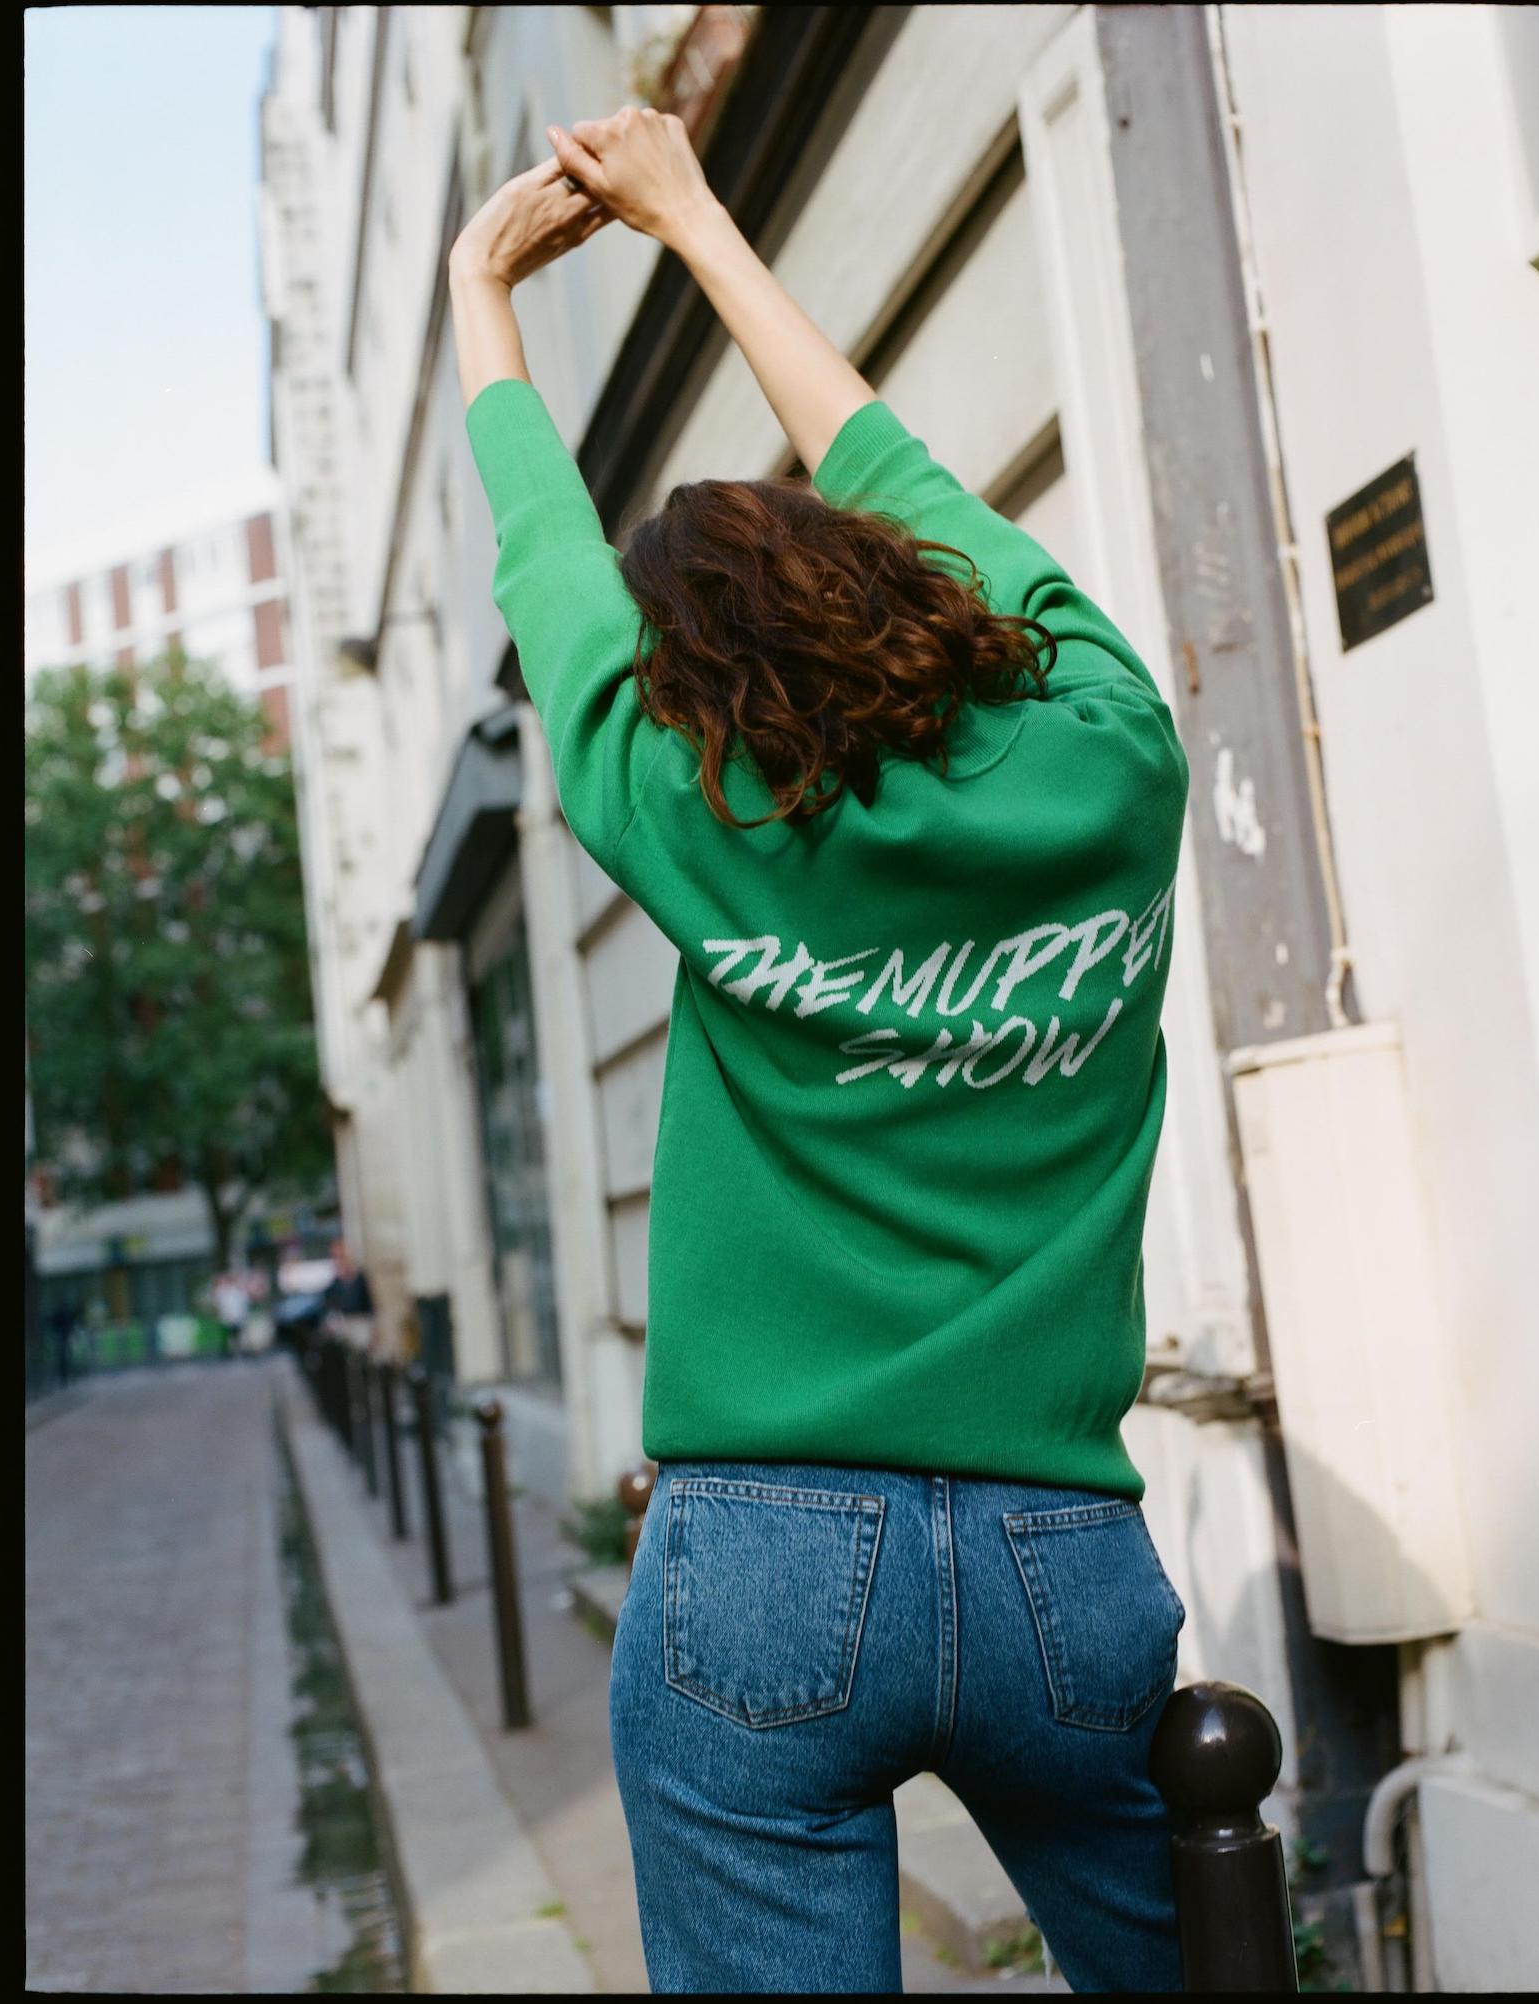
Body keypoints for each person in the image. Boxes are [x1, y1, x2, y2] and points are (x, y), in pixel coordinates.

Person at [449, 107, 1191, 1996]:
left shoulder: (686, 819)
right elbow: (906, 468)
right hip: (1062, 1552)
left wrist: (483, 305)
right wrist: (698, 217)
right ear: (903, 590)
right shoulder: (1115, 755)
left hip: (759, 1556)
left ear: (684, 688)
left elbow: (552, 587)